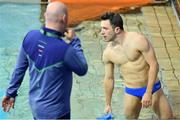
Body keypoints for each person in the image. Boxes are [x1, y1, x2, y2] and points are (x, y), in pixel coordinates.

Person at [2, 1, 88, 119]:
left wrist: (10, 93)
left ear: (45, 16)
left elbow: (19, 70)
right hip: (57, 114)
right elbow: (82, 69)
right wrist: (75, 41)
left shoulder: (29, 37)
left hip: (36, 110)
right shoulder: (65, 50)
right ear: (64, 19)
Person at [100, 12, 173, 119]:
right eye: (101, 28)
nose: (101, 32)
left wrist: (148, 93)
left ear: (117, 29)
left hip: (152, 87)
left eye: (105, 29)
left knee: (168, 118)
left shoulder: (138, 40)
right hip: (132, 91)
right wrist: (108, 104)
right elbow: (109, 78)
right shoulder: (108, 53)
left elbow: (154, 65)